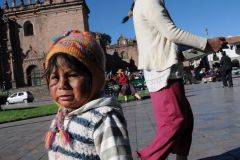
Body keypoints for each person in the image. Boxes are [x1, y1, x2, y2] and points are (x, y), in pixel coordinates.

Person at [122, 1, 227, 160]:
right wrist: (208, 43)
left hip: (167, 69)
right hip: (162, 72)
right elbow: (171, 33)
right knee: (174, 121)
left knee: (185, 120)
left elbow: (164, 42)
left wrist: (196, 51)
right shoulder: (149, 1)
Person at [43, 30, 133, 160]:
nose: (62, 85)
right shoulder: (61, 116)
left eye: (72, 75)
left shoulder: (103, 119)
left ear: (95, 77)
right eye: (55, 77)